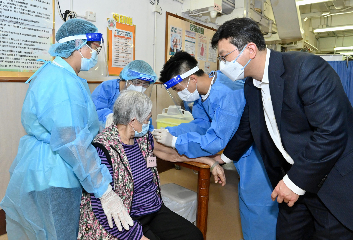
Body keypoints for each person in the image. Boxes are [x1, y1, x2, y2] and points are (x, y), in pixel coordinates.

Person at [211, 17, 353, 239]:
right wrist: (223, 158)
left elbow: (331, 132)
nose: (222, 65)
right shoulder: (251, 84)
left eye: (224, 57)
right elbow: (248, 127)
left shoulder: (305, 68)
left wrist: (294, 182)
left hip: (329, 180)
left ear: (249, 49)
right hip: (291, 179)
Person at [0, 19, 133, 240]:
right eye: (94, 49)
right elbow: (72, 142)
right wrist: (104, 190)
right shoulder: (63, 82)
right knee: (61, 232)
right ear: (79, 46)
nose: (95, 55)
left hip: (42, 164)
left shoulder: (57, 74)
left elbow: (72, 124)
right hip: (56, 172)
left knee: (45, 229)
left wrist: (101, 127)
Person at [152, 51, 278, 240]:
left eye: (178, 89)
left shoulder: (225, 93)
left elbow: (216, 140)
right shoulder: (203, 93)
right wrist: (171, 132)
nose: (180, 94)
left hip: (256, 154)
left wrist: (175, 142)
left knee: (259, 207)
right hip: (241, 152)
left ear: (192, 79)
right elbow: (202, 125)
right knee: (249, 206)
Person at [78, 90, 224, 240]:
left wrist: (210, 162)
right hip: (126, 218)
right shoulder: (103, 149)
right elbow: (101, 208)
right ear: (133, 121)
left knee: (193, 236)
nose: (149, 124)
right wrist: (138, 237)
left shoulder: (142, 137)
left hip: (153, 210)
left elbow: (173, 154)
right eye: (147, 120)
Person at [91, 60, 157, 130]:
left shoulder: (141, 99)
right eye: (137, 82)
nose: (140, 88)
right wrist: (109, 117)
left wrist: (151, 132)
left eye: (145, 84)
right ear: (127, 78)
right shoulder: (107, 88)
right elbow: (95, 110)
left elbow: (146, 121)